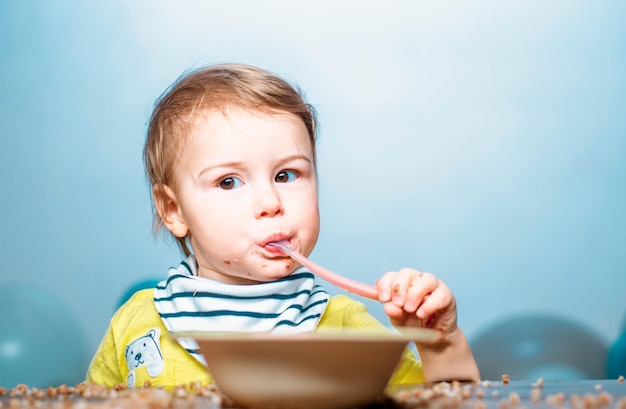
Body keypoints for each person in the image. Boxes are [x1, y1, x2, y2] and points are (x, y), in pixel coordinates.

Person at [86, 63, 480, 389]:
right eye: (228, 182)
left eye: (287, 175)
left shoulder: (346, 331)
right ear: (174, 210)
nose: (271, 204)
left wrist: (441, 345)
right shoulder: (136, 325)